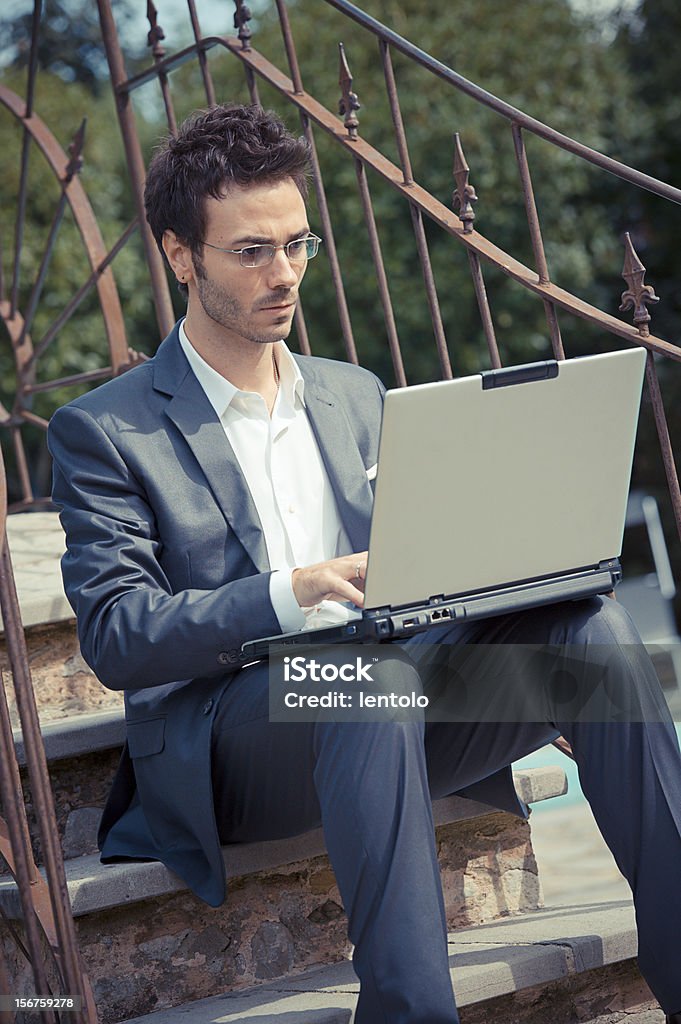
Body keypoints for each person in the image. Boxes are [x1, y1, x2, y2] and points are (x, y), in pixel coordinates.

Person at [47, 103, 681, 1024]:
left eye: (298, 243)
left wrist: (507, 608)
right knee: (360, 679)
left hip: (383, 695)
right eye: (251, 251)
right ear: (181, 255)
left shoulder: (353, 392)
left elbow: (417, 576)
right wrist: (285, 594)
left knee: (594, 638)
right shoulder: (107, 428)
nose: (286, 272)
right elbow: (116, 635)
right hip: (232, 729)